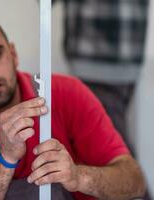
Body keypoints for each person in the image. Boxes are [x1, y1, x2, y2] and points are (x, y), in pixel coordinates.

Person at [0, 15, 146, 200]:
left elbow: (134, 182)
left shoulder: (66, 94)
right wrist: (3, 158)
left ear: (13, 54)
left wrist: (78, 177)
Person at [52, 0, 149, 153]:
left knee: (110, 149)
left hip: (93, 55)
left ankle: (132, 176)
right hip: (126, 49)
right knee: (107, 142)